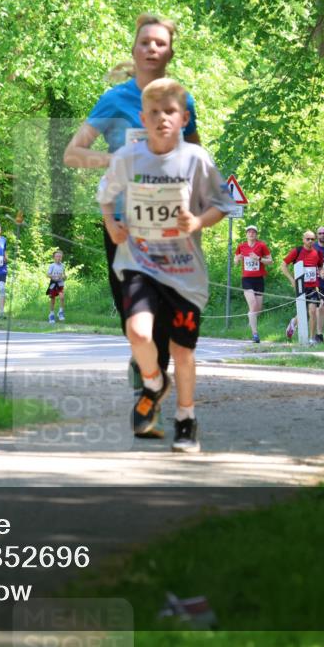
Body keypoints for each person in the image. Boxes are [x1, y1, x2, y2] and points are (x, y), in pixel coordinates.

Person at [64, 12, 201, 407]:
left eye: (160, 43)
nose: (152, 49)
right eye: (145, 42)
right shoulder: (114, 99)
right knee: (134, 313)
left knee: (163, 310)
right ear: (135, 49)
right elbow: (73, 153)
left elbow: (196, 155)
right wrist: (119, 160)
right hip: (124, 223)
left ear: (170, 52)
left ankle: (150, 385)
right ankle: (145, 362)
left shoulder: (182, 100)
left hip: (170, 224)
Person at [97, 77, 235, 452]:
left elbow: (222, 204)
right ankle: (154, 382)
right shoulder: (128, 158)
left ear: (184, 118)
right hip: (139, 263)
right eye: (154, 112)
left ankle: (186, 419)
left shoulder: (196, 159)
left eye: (170, 112)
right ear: (143, 118)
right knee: (138, 332)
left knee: (182, 350)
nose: (162, 119)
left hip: (183, 272)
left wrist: (198, 221)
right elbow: (105, 194)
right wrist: (111, 223)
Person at [280, 231, 324, 345]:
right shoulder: (297, 251)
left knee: (313, 311)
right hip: (300, 286)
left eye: (312, 239)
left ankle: (311, 339)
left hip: (313, 287)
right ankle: (293, 322)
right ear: (303, 239)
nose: (310, 241)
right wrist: (292, 280)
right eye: (308, 239)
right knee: (302, 312)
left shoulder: (318, 253)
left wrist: (322, 272)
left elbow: (320, 267)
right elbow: (283, 265)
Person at [233, 224, 272, 343]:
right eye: (249, 232)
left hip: (259, 279)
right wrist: (237, 259)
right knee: (253, 305)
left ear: (256, 234)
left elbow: (270, 261)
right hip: (247, 280)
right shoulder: (241, 246)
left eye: (253, 232)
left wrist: (258, 258)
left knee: (258, 310)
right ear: (246, 234)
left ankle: (250, 321)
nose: (251, 234)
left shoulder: (262, 245)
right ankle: (255, 335)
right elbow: (235, 262)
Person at [46, 250, 67, 324]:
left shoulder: (63, 265)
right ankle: (51, 314)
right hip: (53, 284)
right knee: (53, 300)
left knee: (62, 297)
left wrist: (64, 277)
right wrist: (54, 276)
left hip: (60, 284)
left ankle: (60, 312)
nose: (59, 258)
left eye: (60, 256)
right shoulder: (52, 265)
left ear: (62, 258)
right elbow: (48, 274)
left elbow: (64, 275)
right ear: (54, 257)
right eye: (57, 256)